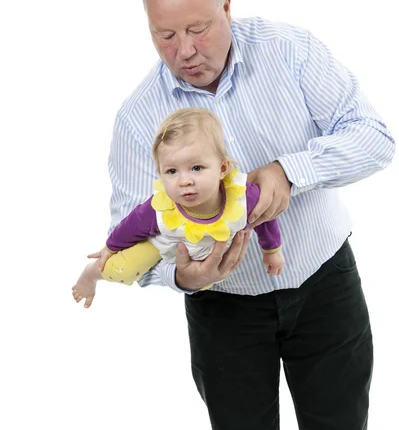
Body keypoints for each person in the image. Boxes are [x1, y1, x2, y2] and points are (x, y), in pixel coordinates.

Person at [89, 0, 396, 430]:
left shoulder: (291, 51)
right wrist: (182, 273)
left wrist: (290, 172)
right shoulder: (138, 117)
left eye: (198, 29)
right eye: (165, 36)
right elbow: (126, 233)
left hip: (323, 282)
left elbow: (375, 137)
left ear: (227, 6)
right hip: (223, 308)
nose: (185, 50)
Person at [71, 107, 284, 308]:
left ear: (222, 168)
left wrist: (271, 250)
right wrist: (110, 247)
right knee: (122, 269)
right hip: (164, 241)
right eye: (172, 171)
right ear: (160, 172)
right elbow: (131, 225)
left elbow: (265, 217)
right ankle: (91, 275)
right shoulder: (160, 209)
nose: (184, 181)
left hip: (204, 253)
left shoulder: (244, 196)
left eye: (196, 168)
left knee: (207, 281)